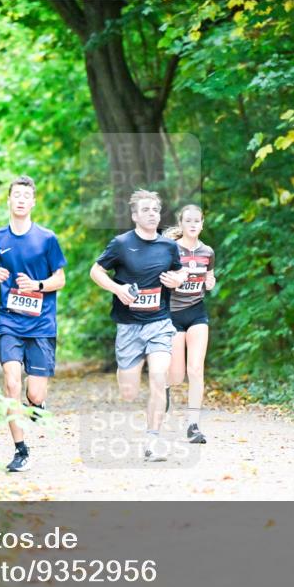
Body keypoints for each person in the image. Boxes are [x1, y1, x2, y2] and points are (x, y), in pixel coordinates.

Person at [0, 175, 67, 473]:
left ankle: (37, 405)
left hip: (41, 324)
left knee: (35, 393)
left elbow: (60, 279)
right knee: (11, 382)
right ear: (9, 200)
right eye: (16, 195)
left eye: (26, 195)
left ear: (33, 202)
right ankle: (20, 450)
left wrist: (36, 284)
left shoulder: (47, 238)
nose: (21, 199)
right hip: (9, 322)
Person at [90, 189, 187, 462]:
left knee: (159, 376)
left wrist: (178, 279)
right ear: (134, 215)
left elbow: (179, 270)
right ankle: (132, 373)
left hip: (159, 322)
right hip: (128, 325)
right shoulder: (121, 243)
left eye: (155, 210)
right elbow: (95, 271)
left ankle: (153, 440)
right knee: (129, 390)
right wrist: (117, 289)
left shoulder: (168, 246)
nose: (152, 214)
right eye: (145, 210)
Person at [163, 205, 216, 444]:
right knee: (176, 376)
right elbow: (159, 278)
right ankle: (163, 389)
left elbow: (209, 276)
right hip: (173, 314)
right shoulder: (170, 249)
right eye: (188, 221)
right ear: (182, 224)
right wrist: (173, 281)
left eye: (197, 221)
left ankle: (193, 425)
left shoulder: (208, 252)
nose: (193, 224)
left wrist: (210, 281)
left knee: (196, 370)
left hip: (197, 313)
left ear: (202, 224)